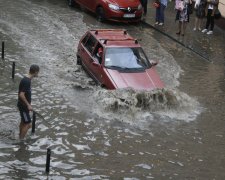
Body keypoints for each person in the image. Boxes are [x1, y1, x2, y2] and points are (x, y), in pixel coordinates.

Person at [17, 64, 39, 139]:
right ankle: (21, 141)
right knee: (28, 124)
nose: (38, 74)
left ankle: (19, 135)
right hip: (24, 106)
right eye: (38, 72)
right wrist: (28, 105)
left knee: (23, 122)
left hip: (22, 105)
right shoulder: (27, 81)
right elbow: (21, 95)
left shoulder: (26, 79)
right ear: (35, 72)